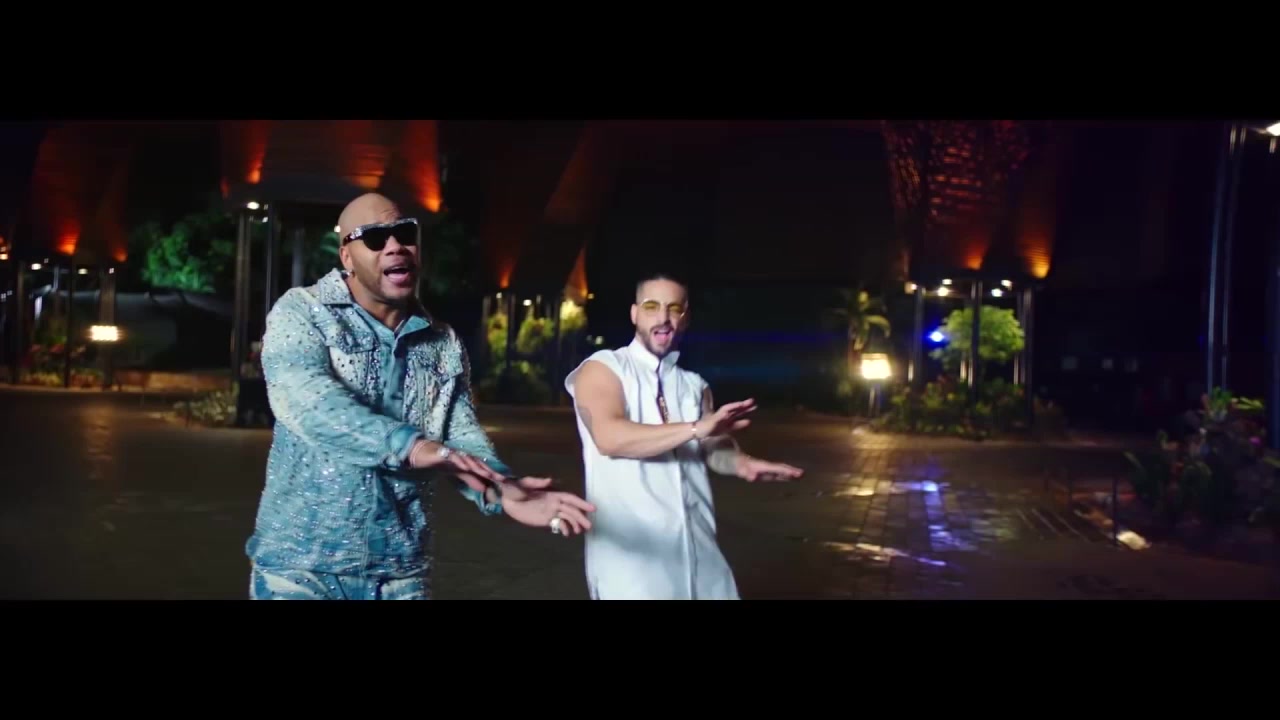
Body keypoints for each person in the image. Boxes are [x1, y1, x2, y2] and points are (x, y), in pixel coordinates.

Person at [245, 192, 594, 600]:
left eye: (405, 233)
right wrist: (412, 446)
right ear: (347, 257)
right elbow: (308, 401)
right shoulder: (303, 312)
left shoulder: (442, 341)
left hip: (400, 574)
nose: (395, 245)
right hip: (301, 569)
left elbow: (459, 434)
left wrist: (498, 487)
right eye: (375, 238)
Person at [564, 271, 804, 600]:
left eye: (674, 308)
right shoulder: (602, 369)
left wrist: (741, 463)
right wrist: (695, 428)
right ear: (634, 313)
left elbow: (710, 448)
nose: (663, 318)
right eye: (652, 306)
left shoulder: (694, 385)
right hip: (633, 569)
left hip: (702, 559)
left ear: (685, 318)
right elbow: (609, 437)